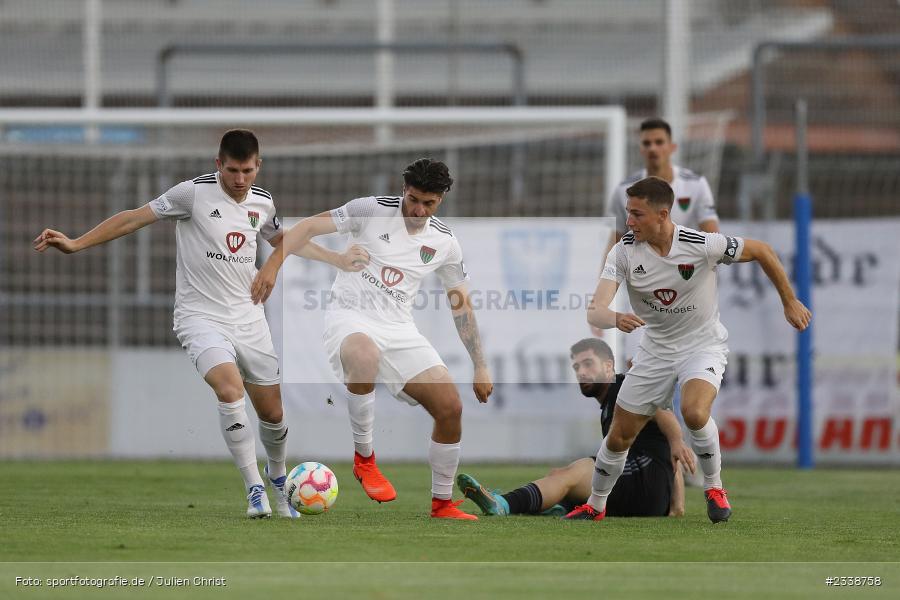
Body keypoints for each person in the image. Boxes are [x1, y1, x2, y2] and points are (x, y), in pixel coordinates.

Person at [33, 129, 365, 519]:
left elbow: (283, 241)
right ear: (217, 165)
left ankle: (278, 480)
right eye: (231, 170)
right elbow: (133, 219)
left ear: (259, 166)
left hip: (249, 317)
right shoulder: (191, 194)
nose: (240, 180)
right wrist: (76, 243)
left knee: (272, 414)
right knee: (229, 388)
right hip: (199, 317)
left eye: (247, 170)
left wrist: (336, 260)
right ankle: (254, 489)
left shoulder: (263, 202)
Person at [251, 158, 493, 520]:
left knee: (450, 407)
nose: (418, 209)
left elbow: (460, 304)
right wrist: (275, 265)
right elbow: (304, 229)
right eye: (413, 199)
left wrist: (480, 364)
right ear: (403, 190)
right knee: (364, 355)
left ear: (441, 199)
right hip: (349, 318)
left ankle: (442, 504)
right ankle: (365, 459)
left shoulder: (445, 242)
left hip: (399, 329)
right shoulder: (369, 210)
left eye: (428, 203)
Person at [566, 176, 811, 523]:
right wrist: (615, 317)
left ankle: (714, 487)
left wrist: (789, 301)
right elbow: (596, 309)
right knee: (619, 435)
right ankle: (595, 506)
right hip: (655, 351)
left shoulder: (700, 244)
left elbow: (762, 250)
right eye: (627, 213)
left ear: (663, 215)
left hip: (702, 345)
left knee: (695, 413)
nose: (629, 222)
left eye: (636, 214)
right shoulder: (623, 251)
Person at [457, 338, 691, 518]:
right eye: (577, 367)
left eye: (588, 364)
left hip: (645, 482)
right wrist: (676, 505)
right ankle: (556, 508)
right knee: (558, 475)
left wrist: (677, 441)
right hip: (651, 491)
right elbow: (663, 447)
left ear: (609, 366)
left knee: (577, 471)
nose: (581, 372)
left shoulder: (625, 386)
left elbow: (663, 414)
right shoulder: (611, 402)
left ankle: (503, 504)